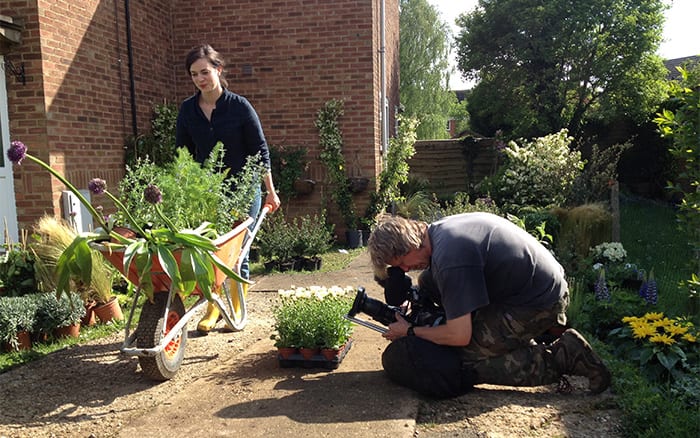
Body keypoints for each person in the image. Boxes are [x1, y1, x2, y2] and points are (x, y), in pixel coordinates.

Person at [366, 213, 611, 399]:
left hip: (539, 303)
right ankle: (513, 339)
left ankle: (564, 356)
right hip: (530, 287)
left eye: (402, 263)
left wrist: (409, 331)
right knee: (427, 281)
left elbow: (459, 336)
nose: (406, 270)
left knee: (462, 358)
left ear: (409, 244)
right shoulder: (440, 232)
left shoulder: (450, 259)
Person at [175, 44, 281, 332]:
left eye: (205, 72)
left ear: (218, 70)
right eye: (194, 74)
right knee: (210, 249)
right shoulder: (188, 110)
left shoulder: (239, 106)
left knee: (237, 250)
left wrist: (270, 190)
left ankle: (234, 305)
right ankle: (213, 307)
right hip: (209, 192)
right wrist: (183, 192)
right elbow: (182, 154)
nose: (200, 79)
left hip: (245, 188)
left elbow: (259, 150)